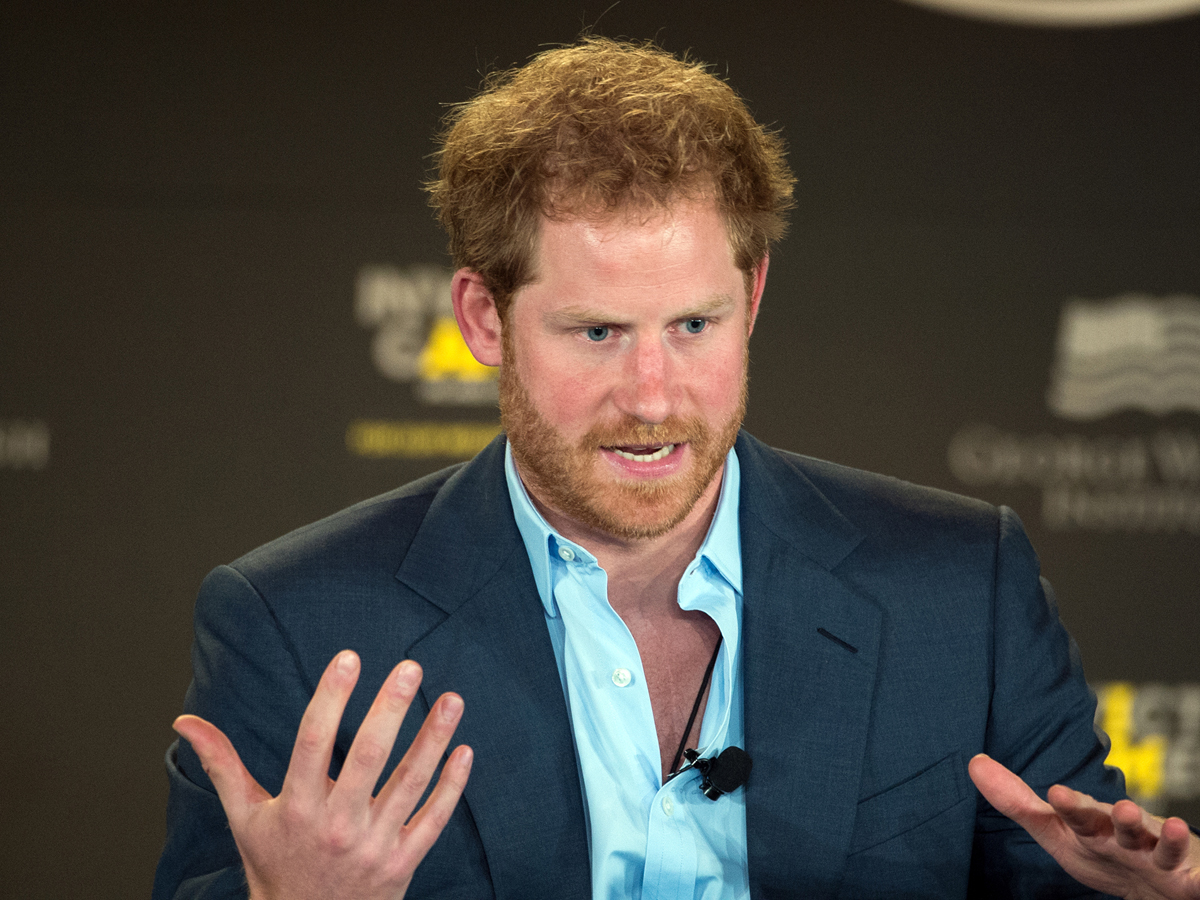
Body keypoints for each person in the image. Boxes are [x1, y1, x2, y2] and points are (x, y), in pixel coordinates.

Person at [154, 37, 1200, 900]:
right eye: (598, 332)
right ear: (483, 318)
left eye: (693, 324)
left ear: (752, 298)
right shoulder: (295, 623)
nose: (653, 396)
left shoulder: (961, 589)